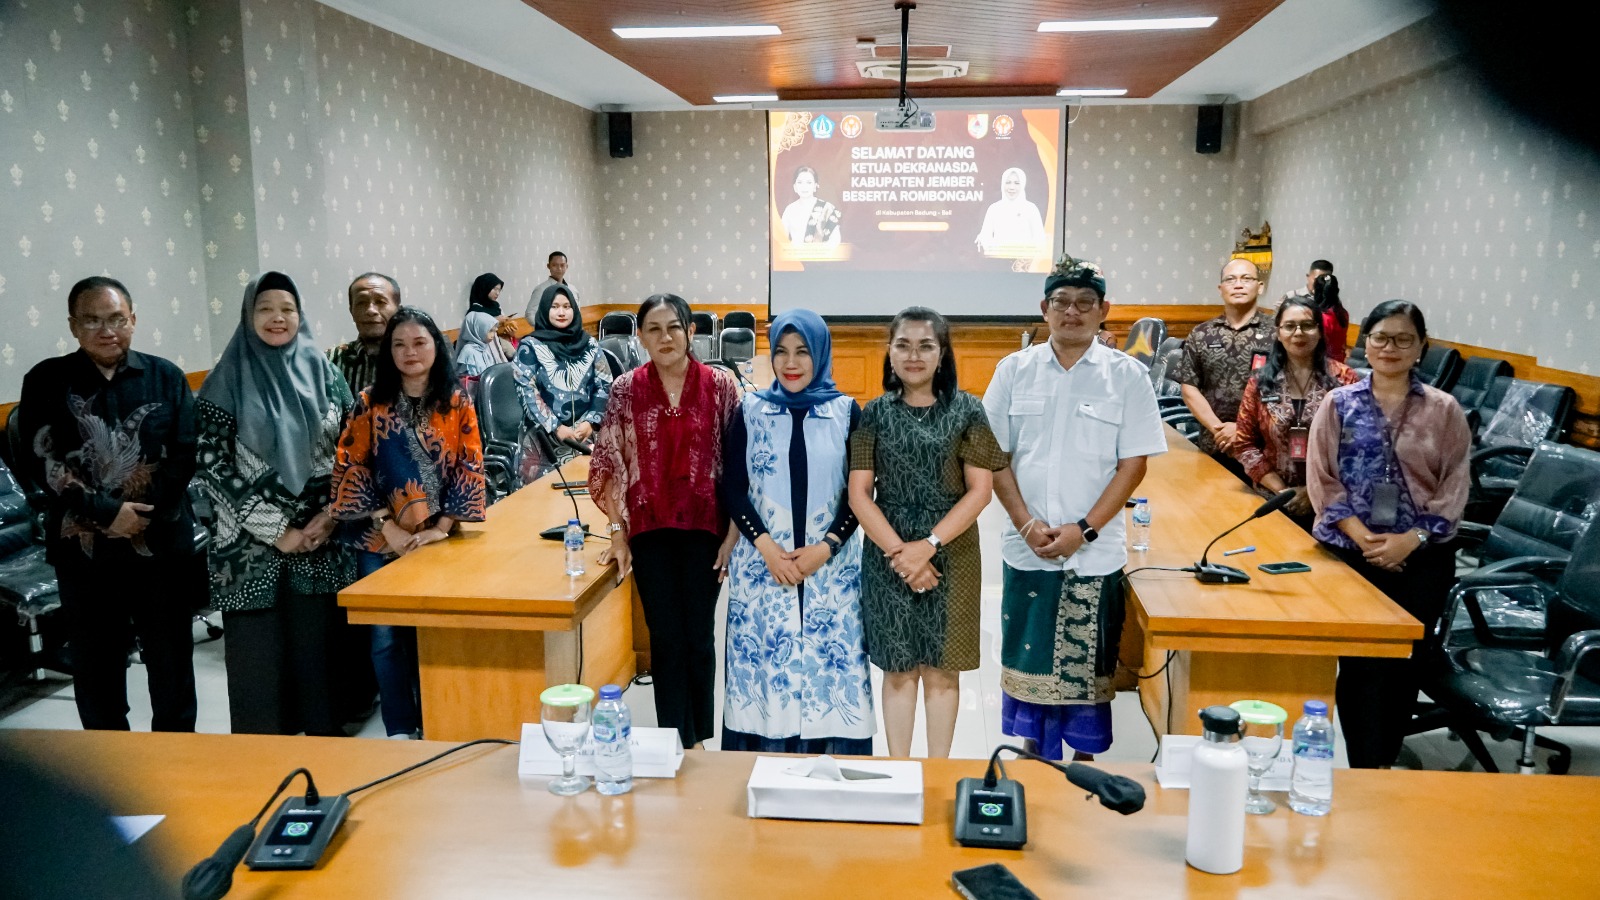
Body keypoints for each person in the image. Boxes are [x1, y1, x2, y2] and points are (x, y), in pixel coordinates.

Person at [983, 259, 1166, 761]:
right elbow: (992, 457)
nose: (1073, 312)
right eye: (1062, 302)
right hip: (1028, 545)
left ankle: (1083, 763)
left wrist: (1083, 530)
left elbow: (1133, 465)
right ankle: (1032, 753)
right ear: (1044, 309)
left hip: (1094, 549)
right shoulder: (1012, 371)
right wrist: (1025, 523)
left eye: (1086, 303)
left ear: (1104, 311)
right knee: (1029, 655)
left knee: (1090, 665)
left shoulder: (1127, 377)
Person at [16, 275, 201, 732]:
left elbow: (185, 453)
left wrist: (139, 516)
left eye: (117, 318)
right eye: (92, 320)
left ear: (133, 320)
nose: (106, 329)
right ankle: (112, 769)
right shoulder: (46, 381)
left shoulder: (166, 377)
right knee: (97, 669)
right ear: (73, 326)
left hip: (160, 545)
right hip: (85, 555)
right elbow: (41, 462)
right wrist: (106, 514)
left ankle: (179, 762)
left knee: (172, 665)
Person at [1307, 300, 1471, 769]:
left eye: (1404, 339)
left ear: (1421, 347)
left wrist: (1411, 539)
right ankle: (1361, 762)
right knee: (1358, 667)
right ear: (1366, 344)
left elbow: (1454, 486)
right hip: (1352, 553)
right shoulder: (1339, 404)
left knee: (1404, 667)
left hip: (1421, 557)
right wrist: (1364, 540)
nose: (1390, 347)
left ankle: (1382, 761)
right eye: (1380, 337)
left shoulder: (1444, 410)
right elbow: (1323, 480)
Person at [195, 271, 355, 737]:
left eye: (287, 308)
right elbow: (214, 469)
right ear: (248, 316)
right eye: (265, 309)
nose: (277, 318)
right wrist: (277, 531)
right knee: (258, 671)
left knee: (319, 661)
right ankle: (263, 769)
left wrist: (329, 516)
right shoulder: (223, 383)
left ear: (300, 315)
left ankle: (327, 759)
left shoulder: (328, 375)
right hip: (248, 553)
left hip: (321, 541)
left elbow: (353, 449)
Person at [848, 307, 1008, 758]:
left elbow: (980, 491)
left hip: (952, 550)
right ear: (890, 353)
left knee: (943, 669)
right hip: (887, 551)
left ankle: (937, 771)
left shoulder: (968, 410)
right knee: (898, 669)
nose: (913, 355)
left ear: (943, 354)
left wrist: (929, 546)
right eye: (903, 345)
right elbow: (860, 495)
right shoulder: (873, 413)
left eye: (926, 345)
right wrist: (903, 554)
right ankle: (900, 771)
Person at [589, 293, 740, 748]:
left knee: (698, 636)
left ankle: (700, 738)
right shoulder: (626, 389)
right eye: (653, 329)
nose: (665, 337)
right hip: (650, 531)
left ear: (692, 332)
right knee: (665, 639)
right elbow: (608, 462)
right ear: (640, 337)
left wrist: (734, 534)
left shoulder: (721, 385)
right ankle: (676, 741)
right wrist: (618, 533)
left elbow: (739, 465)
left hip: (707, 529)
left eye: (674, 327)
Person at [719, 309, 872, 754]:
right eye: (781, 351)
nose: (791, 362)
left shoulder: (846, 412)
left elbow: (860, 495)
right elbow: (732, 485)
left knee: (831, 668)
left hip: (831, 568)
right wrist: (765, 546)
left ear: (820, 354)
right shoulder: (751, 409)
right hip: (763, 564)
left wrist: (826, 548)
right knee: (765, 668)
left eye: (803, 351)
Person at [331, 307, 488, 740]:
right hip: (380, 538)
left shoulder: (456, 399)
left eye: (419, 342)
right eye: (398, 344)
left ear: (437, 345)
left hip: (439, 538)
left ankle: (437, 718)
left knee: (434, 633)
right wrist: (389, 527)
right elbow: (351, 464)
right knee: (385, 637)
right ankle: (400, 726)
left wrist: (442, 526)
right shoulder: (368, 401)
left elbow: (470, 464)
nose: (409, 352)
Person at [1233, 297, 1361, 526]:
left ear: (1320, 331)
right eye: (1290, 326)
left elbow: (1354, 448)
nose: (1298, 333)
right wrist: (1284, 492)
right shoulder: (1260, 382)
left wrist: (1314, 492)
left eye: (1307, 325)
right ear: (1278, 333)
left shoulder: (1345, 379)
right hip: (1271, 501)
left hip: (1331, 506)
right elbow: (1244, 444)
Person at [1172, 257, 1276, 481]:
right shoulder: (1202, 334)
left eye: (1246, 278)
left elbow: (1284, 391)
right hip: (1213, 444)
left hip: (1264, 450)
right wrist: (1219, 429)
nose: (1238, 284)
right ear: (1221, 289)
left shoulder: (1278, 334)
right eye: (1231, 279)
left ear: (1260, 286)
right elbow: (1189, 386)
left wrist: (1240, 430)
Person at [513, 284, 613, 472]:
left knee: (590, 493)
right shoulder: (529, 346)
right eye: (555, 306)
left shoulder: (590, 344)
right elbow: (527, 392)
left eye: (567, 307)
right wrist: (556, 427)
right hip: (543, 440)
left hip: (584, 436)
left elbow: (605, 384)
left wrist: (591, 422)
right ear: (544, 309)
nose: (561, 312)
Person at [327, 272, 401, 394]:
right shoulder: (330, 361)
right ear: (351, 311)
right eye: (361, 303)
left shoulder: (414, 357)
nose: (371, 311)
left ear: (398, 310)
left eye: (380, 301)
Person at [974, 167, 1048, 256]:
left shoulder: (1031, 208)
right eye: (1008, 183)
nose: (1012, 187)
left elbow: (1039, 239)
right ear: (1002, 184)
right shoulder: (994, 209)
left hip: (1025, 264)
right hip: (997, 262)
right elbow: (985, 237)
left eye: (1017, 183)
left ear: (1023, 185)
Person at [781, 166, 843, 246]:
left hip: (821, 256)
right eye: (800, 182)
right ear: (795, 187)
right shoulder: (789, 210)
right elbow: (782, 238)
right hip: (795, 256)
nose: (804, 186)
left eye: (809, 182)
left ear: (815, 186)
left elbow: (835, 240)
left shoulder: (827, 208)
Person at [463, 272, 517, 360]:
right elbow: (477, 334)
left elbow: (501, 331)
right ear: (484, 288)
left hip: (501, 346)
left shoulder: (496, 306)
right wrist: (495, 321)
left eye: (499, 290)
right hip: (487, 351)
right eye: (495, 289)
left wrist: (509, 332)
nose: (497, 293)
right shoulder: (475, 311)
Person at [525, 252, 580, 323]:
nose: (559, 268)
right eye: (554, 265)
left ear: (567, 266)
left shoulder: (573, 289)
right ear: (548, 266)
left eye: (562, 265)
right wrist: (545, 330)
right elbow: (530, 314)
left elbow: (577, 314)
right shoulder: (541, 289)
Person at [455, 310, 506, 381]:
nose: (493, 335)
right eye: (490, 331)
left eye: (494, 331)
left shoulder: (484, 348)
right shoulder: (469, 352)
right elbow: (471, 379)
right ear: (477, 330)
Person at [1312, 273, 1351, 364]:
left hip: (1322, 363)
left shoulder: (1320, 316)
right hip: (1339, 361)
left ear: (1316, 291)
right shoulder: (1343, 313)